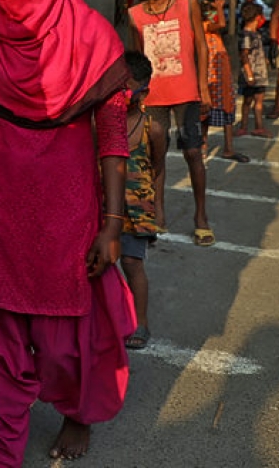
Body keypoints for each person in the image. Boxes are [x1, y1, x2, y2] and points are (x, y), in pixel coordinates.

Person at [0, 0, 134, 466]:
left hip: (65, 216)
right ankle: (1, 450)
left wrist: (111, 224)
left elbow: (113, 140)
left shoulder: (95, 39)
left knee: (62, 345)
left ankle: (78, 413)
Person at [127, 0, 213, 246]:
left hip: (187, 92)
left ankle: (201, 217)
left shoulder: (188, 4)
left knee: (192, 152)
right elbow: (138, 57)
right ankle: (157, 215)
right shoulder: (135, 14)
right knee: (154, 156)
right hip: (153, 96)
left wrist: (203, 86)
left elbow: (202, 46)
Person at [119, 50, 158, 351]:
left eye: (129, 87)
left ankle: (141, 322)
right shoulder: (100, 123)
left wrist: (158, 209)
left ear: (144, 90)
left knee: (133, 263)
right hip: (104, 205)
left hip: (136, 208)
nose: (123, 93)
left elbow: (158, 169)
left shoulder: (152, 128)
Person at [201, 0, 248, 162]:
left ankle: (228, 148)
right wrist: (219, 8)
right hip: (211, 76)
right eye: (209, 10)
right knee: (204, 114)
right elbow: (221, 23)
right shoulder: (203, 27)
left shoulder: (212, 32)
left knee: (227, 110)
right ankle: (203, 147)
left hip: (222, 76)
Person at [235, 1, 272, 138]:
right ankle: (244, 126)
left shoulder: (257, 34)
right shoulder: (247, 35)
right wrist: (249, 74)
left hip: (260, 74)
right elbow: (244, 55)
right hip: (251, 74)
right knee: (247, 101)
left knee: (259, 101)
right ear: (257, 17)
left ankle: (259, 126)